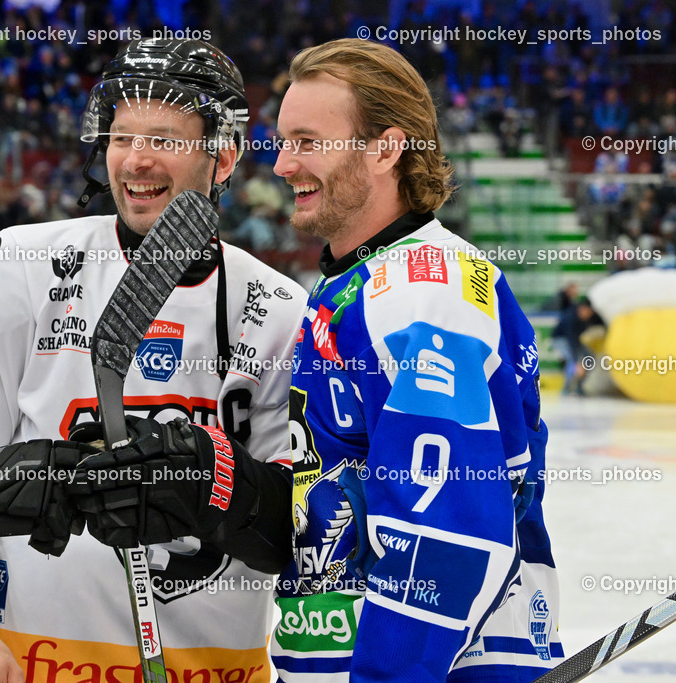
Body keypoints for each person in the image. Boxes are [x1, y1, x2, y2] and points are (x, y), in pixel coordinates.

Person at [0, 39, 306, 681]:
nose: (136, 159)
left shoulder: (283, 310)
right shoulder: (20, 267)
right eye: (121, 136)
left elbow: (301, 528)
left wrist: (217, 488)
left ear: (222, 156)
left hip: (218, 667)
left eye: (164, 138)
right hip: (34, 659)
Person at [269, 39, 564, 680]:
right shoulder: (365, 282)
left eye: (307, 141)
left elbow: (446, 535)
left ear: (385, 148)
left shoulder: (421, 294)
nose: (283, 163)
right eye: (283, 140)